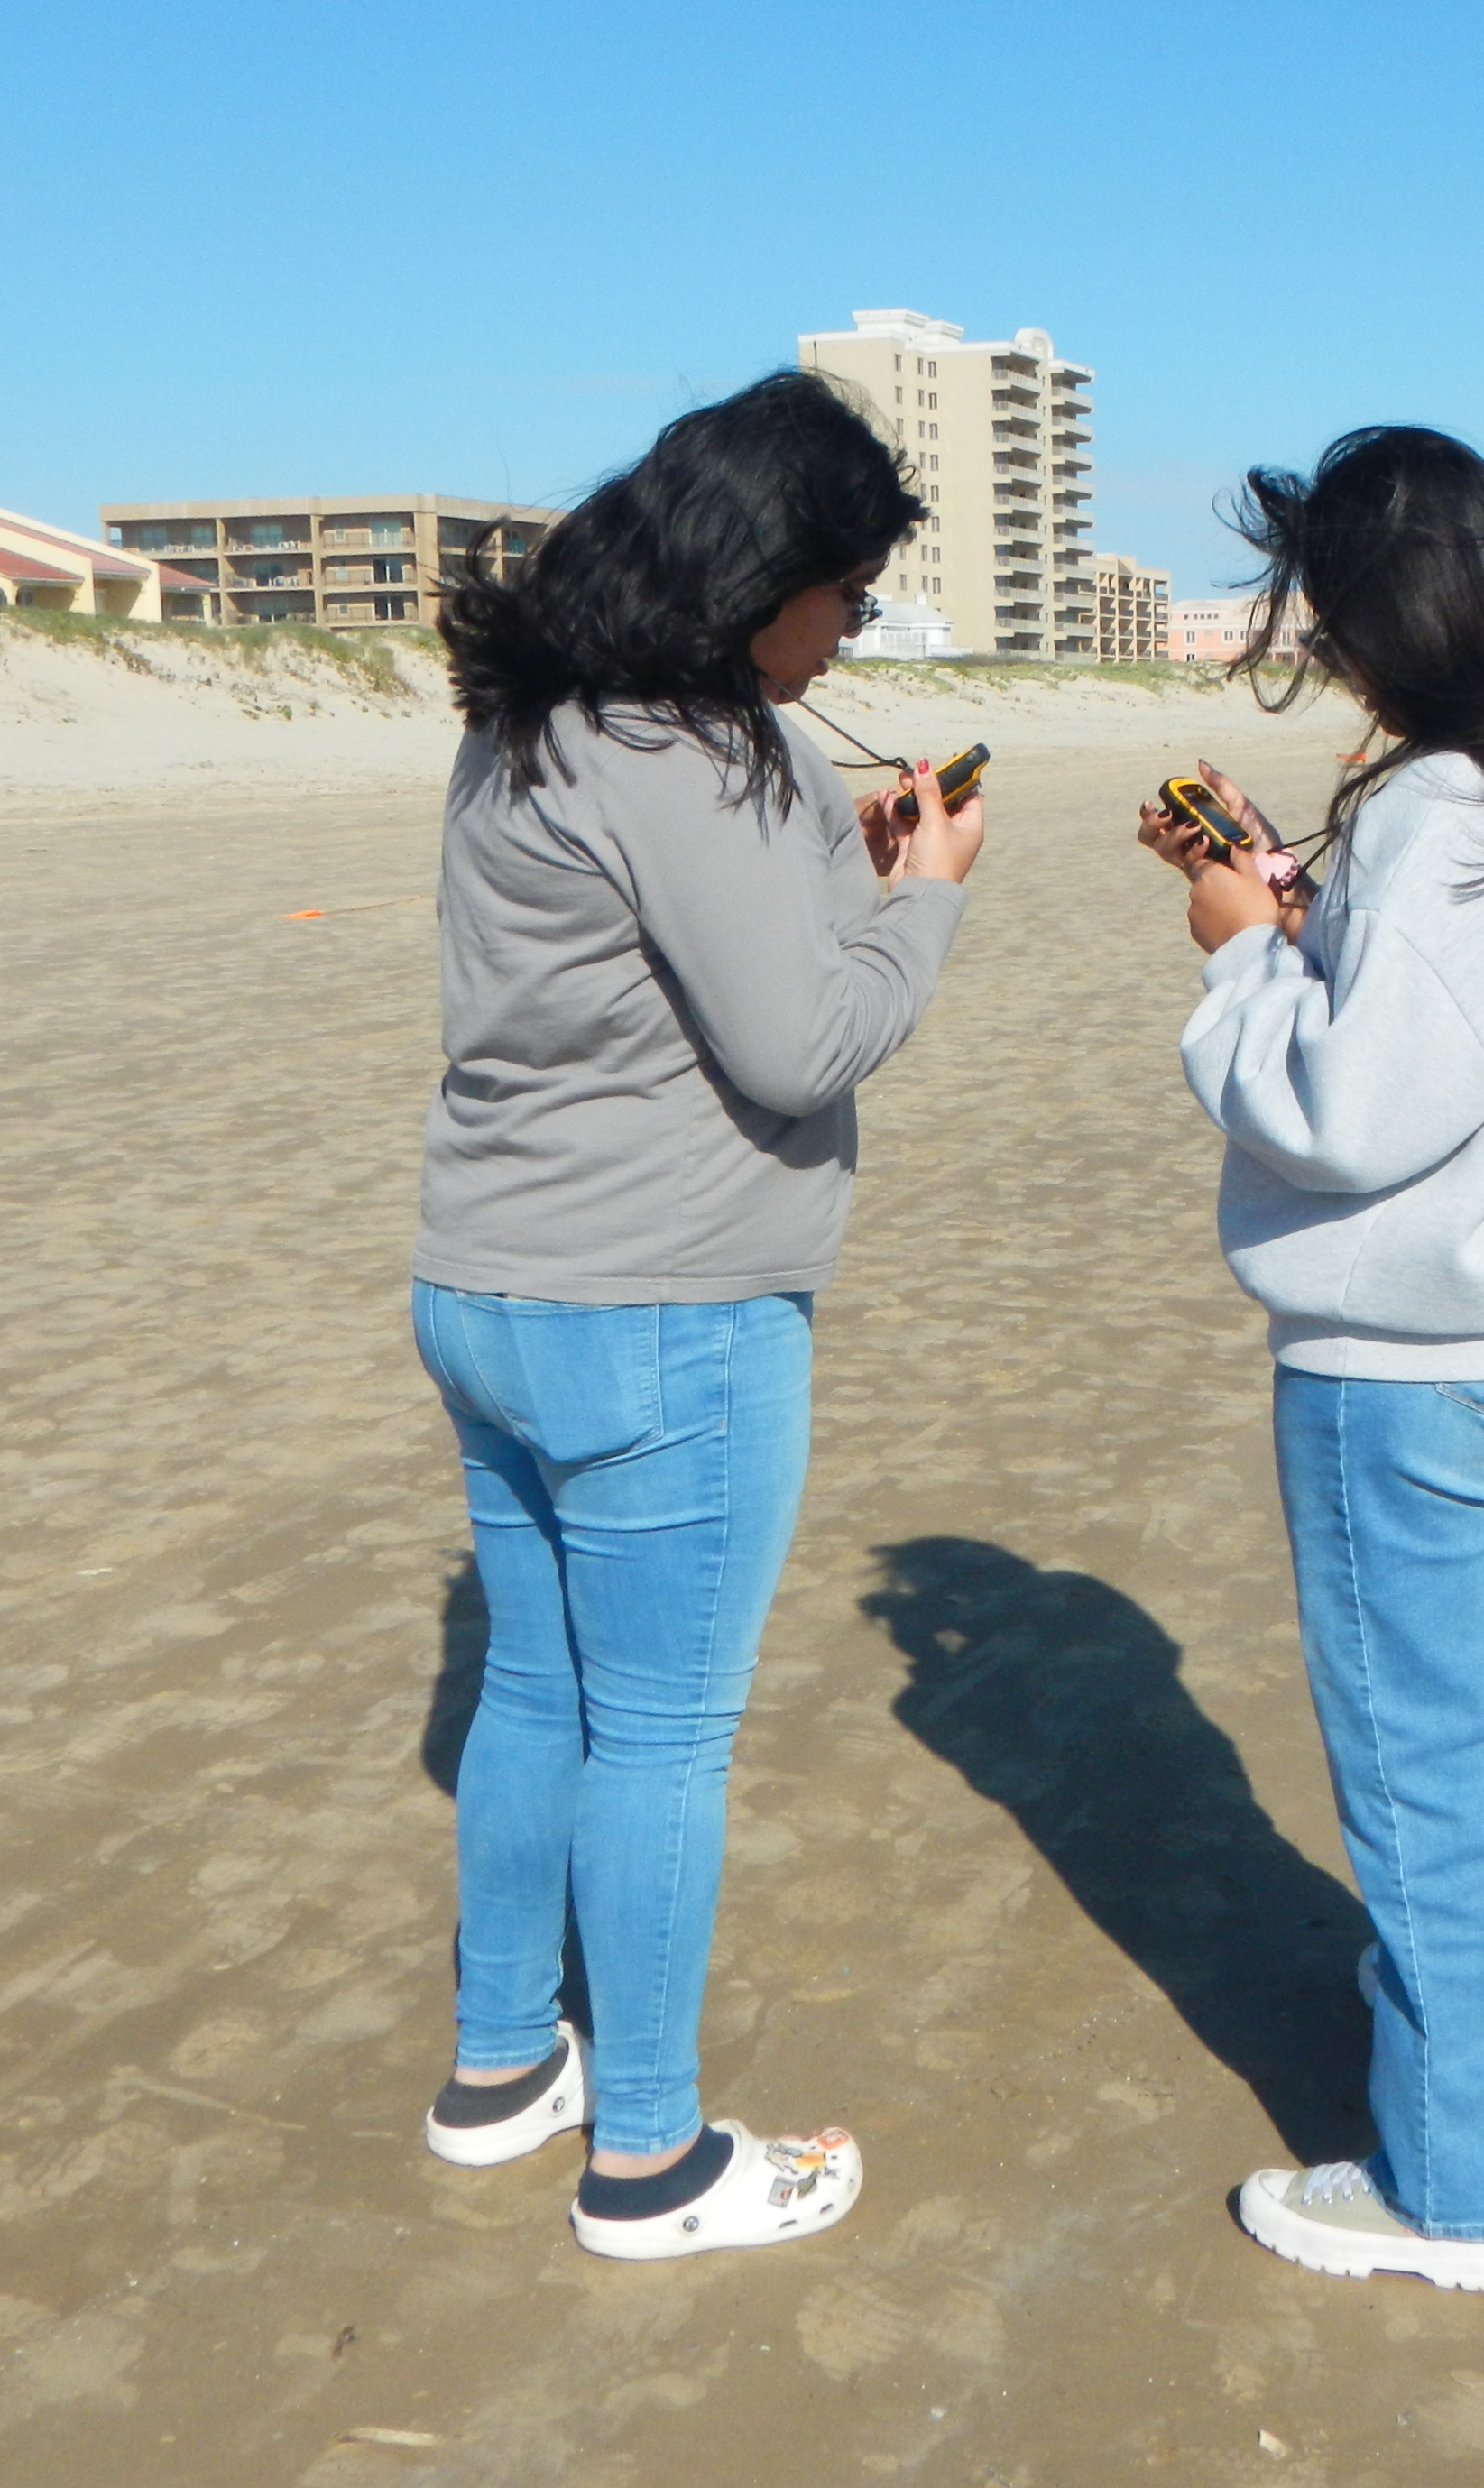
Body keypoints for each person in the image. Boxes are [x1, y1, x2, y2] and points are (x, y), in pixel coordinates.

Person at [409, 372, 982, 2260]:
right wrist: (932, 902)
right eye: (839, 594)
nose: (844, 633)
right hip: (658, 1307)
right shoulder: (682, 749)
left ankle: (504, 2065)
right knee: (659, 1736)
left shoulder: (533, 721)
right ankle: (647, 2158)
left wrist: (853, 858)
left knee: (534, 1684)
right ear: (756, 578)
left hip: (490, 1280)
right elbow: (805, 1035)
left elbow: (698, 960)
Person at [1137, 426, 1484, 2291]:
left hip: (1405, 1366)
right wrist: (1302, 910)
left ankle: (1455, 2195)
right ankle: (1472, 2133)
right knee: (1469, 1744)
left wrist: (1231, 954)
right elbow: (1450, 1027)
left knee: (1429, 1773)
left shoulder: (1446, 811)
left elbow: (1343, 1110)